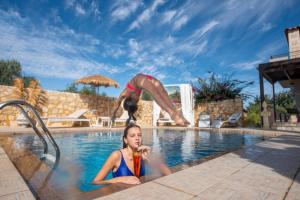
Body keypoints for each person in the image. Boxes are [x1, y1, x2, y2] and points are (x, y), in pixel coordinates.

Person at [92, 124, 171, 185]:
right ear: (125, 140)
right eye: (132, 136)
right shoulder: (117, 156)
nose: (137, 138)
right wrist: (121, 179)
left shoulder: (142, 154)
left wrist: (149, 158)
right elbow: (96, 182)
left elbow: (168, 173)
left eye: (139, 135)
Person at [111, 73, 190, 126]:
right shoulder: (133, 102)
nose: (137, 101)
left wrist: (113, 114)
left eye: (135, 102)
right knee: (163, 92)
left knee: (155, 93)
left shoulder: (125, 93)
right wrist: (129, 117)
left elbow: (117, 103)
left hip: (139, 79)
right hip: (147, 79)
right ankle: (177, 114)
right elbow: (130, 110)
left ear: (128, 101)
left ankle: (172, 114)